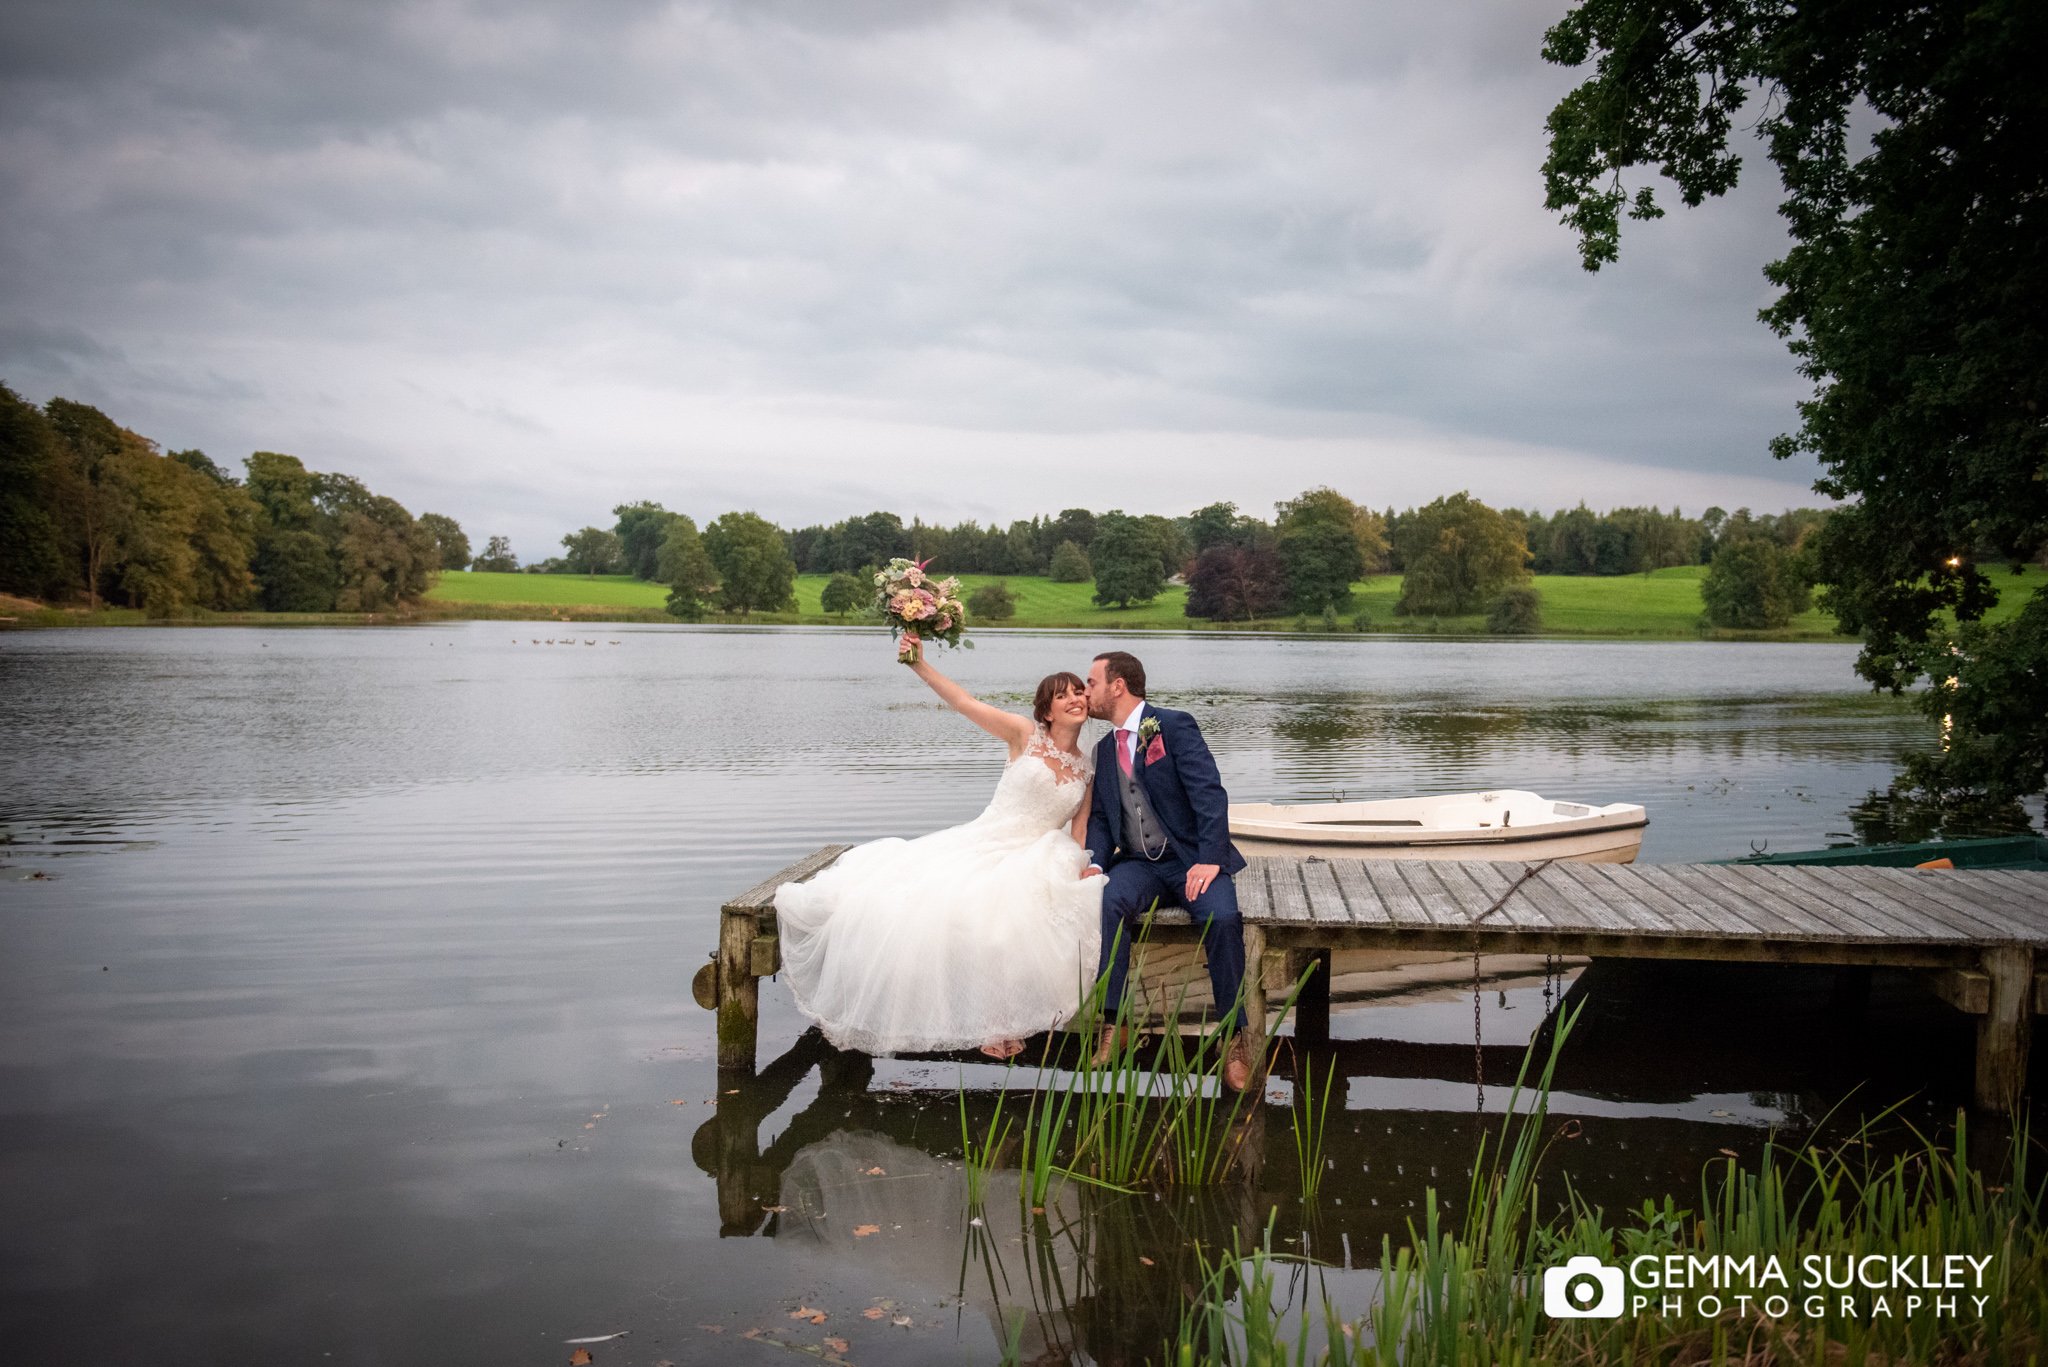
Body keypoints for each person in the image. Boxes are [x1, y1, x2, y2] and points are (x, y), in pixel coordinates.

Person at [774, 633, 1106, 1058]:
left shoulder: (1087, 767)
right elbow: (964, 703)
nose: (1075, 699)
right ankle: (991, 1024)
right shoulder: (1024, 735)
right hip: (987, 839)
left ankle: (1006, 1019)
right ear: (1046, 710)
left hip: (1039, 852)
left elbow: (1078, 830)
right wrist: (918, 664)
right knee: (944, 904)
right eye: (1064, 696)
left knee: (1024, 914)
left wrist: (1080, 862)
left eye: (1080, 692)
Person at [1081, 650, 1253, 1090]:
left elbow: (1209, 794)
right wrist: (1096, 861)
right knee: (1109, 899)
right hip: (1140, 864)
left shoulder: (1173, 726)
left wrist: (1210, 858)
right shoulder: (1103, 750)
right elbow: (1101, 817)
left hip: (1192, 859)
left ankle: (1234, 1035)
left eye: (1092, 682)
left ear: (1117, 686)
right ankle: (1116, 1021)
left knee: (1223, 918)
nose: (1087, 691)